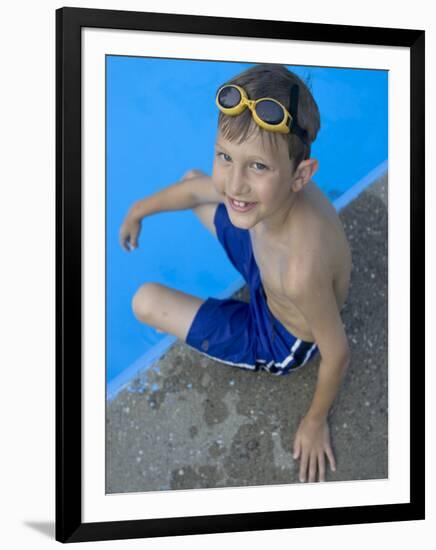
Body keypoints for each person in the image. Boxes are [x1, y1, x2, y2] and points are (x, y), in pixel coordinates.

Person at [119, 64, 351, 483]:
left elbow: (337, 352)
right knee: (194, 182)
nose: (236, 183)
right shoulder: (273, 196)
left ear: (302, 175)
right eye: (225, 156)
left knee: (145, 301)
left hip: (278, 335)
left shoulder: (301, 271)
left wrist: (315, 422)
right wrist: (138, 210)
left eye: (257, 167)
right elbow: (198, 189)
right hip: (267, 259)